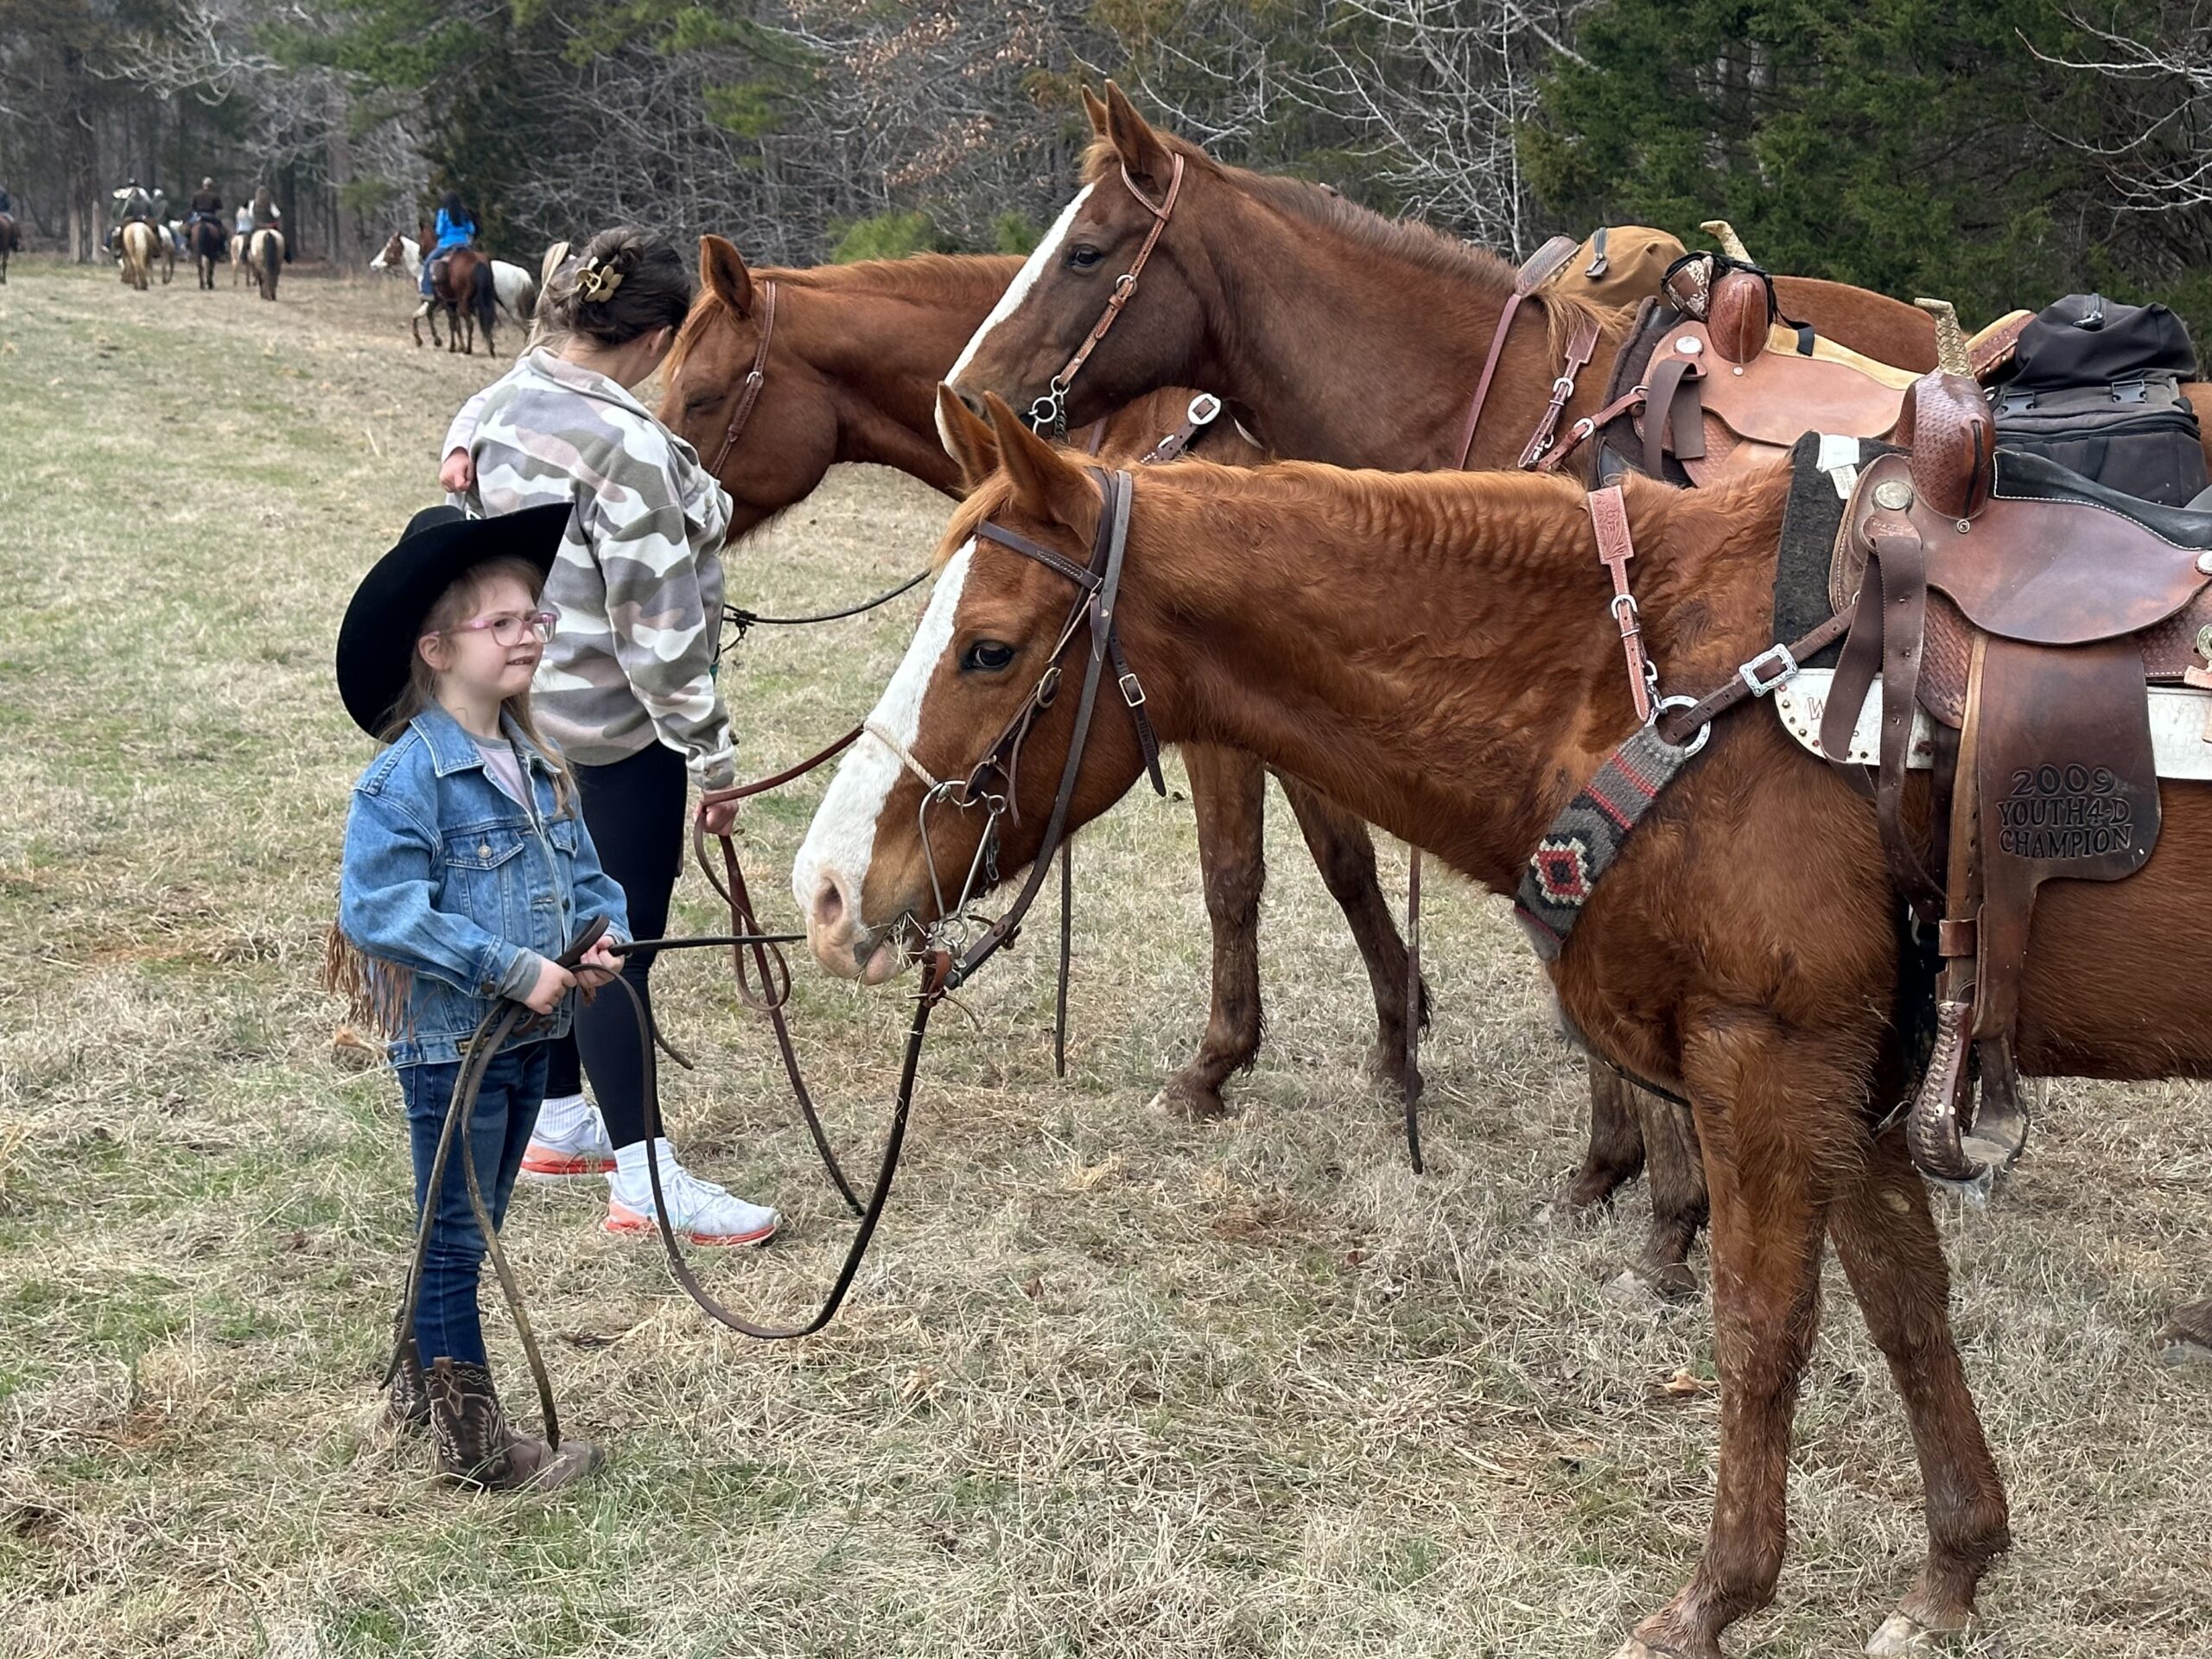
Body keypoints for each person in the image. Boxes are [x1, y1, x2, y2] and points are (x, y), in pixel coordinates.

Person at [446, 226, 779, 1249]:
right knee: (609, 948)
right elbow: (662, 636)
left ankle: (552, 1120)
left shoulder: (497, 405)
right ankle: (642, 1180)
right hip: (612, 734)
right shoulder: (625, 445)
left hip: (514, 719)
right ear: (656, 336)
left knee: (546, 920)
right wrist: (712, 756)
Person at [330, 501, 628, 1490]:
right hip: (451, 1047)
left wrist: (599, 935)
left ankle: (419, 1385)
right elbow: (379, 911)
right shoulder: (405, 782)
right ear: (437, 649)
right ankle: (473, 1444)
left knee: (469, 1223)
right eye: (501, 623)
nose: (529, 636)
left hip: (523, 1040)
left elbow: (584, 876)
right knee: (458, 1238)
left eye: (535, 618)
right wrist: (514, 968)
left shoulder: (539, 763)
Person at [423, 188, 476, 300]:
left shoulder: (443, 213)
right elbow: (471, 230)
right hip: (463, 245)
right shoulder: (464, 213)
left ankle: (427, 292)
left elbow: (439, 231)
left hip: (446, 245)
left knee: (428, 262)